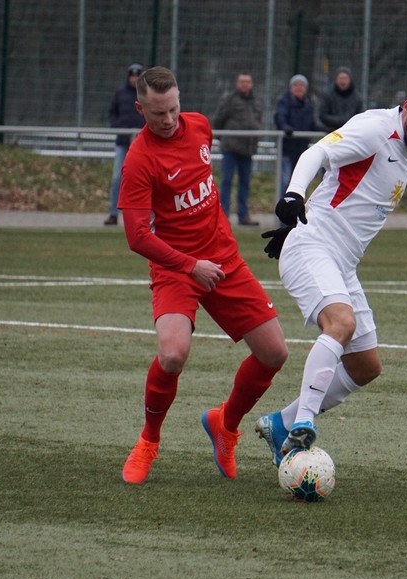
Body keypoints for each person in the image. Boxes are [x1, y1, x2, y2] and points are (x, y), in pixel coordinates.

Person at [256, 75, 407, 464]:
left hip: (340, 261)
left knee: (365, 366)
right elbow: (317, 153)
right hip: (314, 247)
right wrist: (294, 195)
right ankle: (302, 425)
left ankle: (279, 425)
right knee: (341, 324)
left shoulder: (404, 146)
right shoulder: (376, 129)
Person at [117, 66, 288, 484]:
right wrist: (189, 265)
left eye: (173, 109)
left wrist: (208, 258)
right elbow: (137, 237)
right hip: (176, 267)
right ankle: (148, 440)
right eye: (158, 113)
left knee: (274, 353)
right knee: (172, 355)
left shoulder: (201, 126)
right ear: (140, 109)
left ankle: (224, 426)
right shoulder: (139, 159)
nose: (169, 119)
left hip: (223, 258)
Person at [211, 72, 263, 226]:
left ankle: (243, 215)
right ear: (237, 83)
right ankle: (224, 214)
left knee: (245, 183)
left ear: (251, 84)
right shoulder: (229, 100)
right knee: (227, 180)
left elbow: (257, 121)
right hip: (231, 148)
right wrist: (222, 138)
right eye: (242, 81)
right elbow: (218, 120)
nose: (244, 84)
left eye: (247, 81)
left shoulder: (256, 101)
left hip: (248, 148)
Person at [104, 63, 145, 226]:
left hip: (141, 144)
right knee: (117, 177)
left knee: (141, 179)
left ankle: (141, 215)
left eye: (137, 76)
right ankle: (113, 213)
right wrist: (118, 127)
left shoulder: (146, 94)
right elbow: (112, 113)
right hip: (122, 142)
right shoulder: (120, 94)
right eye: (132, 76)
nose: (134, 79)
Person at [273, 74, 319, 199]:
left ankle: (297, 208)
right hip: (287, 149)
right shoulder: (284, 101)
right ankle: (282, 208)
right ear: (291, 87)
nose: (299, 88)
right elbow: (280, 118)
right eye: (296, 85)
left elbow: (312, 124)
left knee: (300, 183)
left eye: (302, 85)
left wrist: (325, 130)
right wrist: (285, 127)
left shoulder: (309, 104)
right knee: (285, 181)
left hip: (302, 151)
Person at [319, 66, 363, 131]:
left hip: (351, 131)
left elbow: (360, 116)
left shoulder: (357, 97)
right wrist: (340, 121)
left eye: (345, 78)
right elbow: (323, 115)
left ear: (350, 79)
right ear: (336, 79)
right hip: (331, 132)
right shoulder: (327, 95)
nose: (343, 81)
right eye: (340, 78)